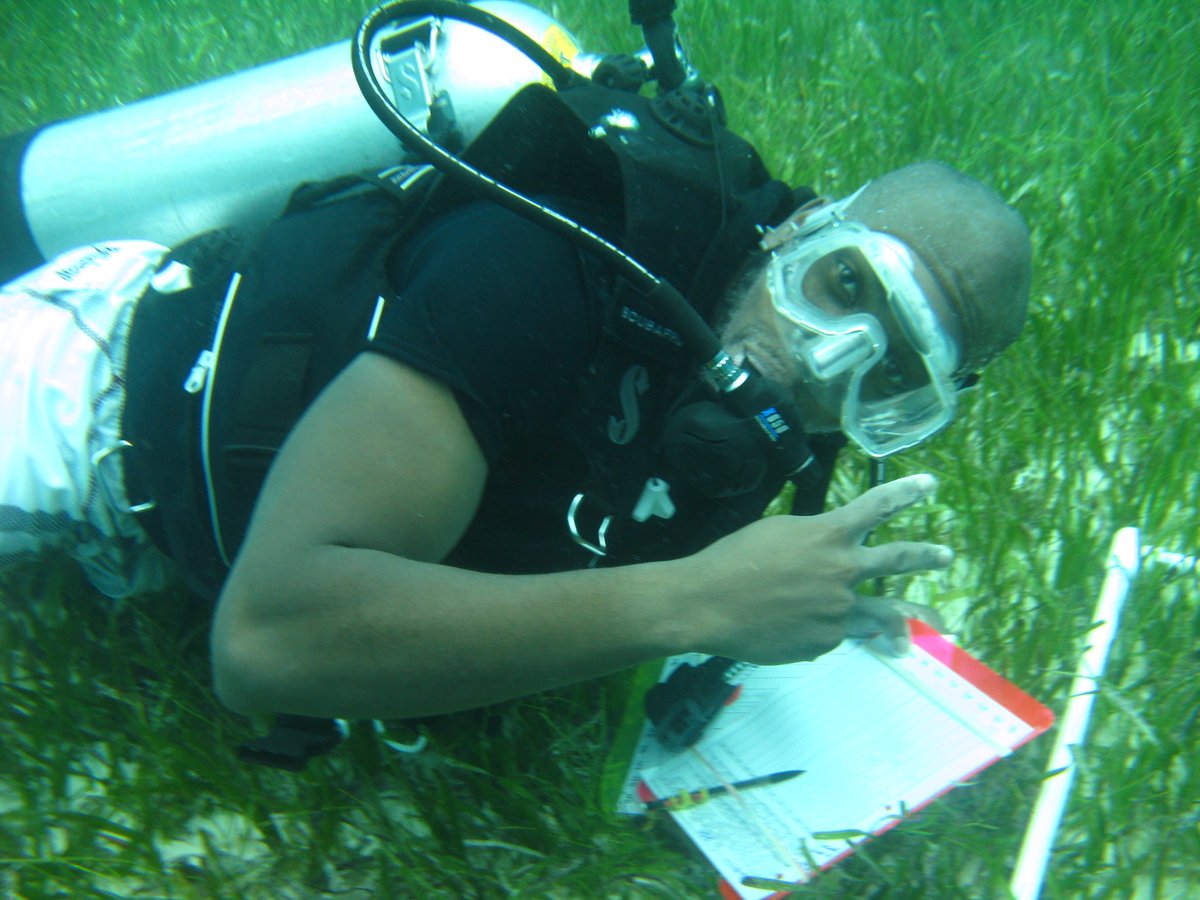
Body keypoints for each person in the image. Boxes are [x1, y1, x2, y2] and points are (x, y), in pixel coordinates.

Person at [1, 109, 1031, 725]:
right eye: (845, 287)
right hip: (84, 388)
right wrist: (691, 603)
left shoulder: (796, 394)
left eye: (897, 376)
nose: (824, 362)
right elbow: (266, 643)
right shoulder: (545, 273)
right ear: (805, 228)